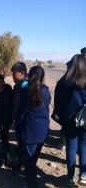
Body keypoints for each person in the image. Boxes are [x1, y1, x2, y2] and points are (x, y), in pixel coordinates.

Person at [54, 54, 86, 187]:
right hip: (85, 120)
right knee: (84, 146)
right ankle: (84, 175)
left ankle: (71, 177)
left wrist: (62, 118)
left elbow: (57, 104)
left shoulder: (62, 83)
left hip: (68, 120)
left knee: (71, 147)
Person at [17, 66, 51, 188]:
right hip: (42, 130)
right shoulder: (46, 91)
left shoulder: (26, 92)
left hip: (30, 131)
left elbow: (21, 113)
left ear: (29, 76)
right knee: (34, 157)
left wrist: (18, 128)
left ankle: (32, 184)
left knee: (29, 162)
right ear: (43, 77)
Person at [11, 61, 28, 177]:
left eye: (14, 73)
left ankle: (24, 166)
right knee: (20, 141)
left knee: (25, 142)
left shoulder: (27, 86)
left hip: (25, 120)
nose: (12, 76)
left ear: (22, 73)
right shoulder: (18, 85)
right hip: (18, 119)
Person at [0, 74, 13, 168]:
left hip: (7, 119)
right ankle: (5, 153)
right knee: (3, 137)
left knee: (3, 137)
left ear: (3, 82)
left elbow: (10, 107)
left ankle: (7, 157)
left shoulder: (8, 92)